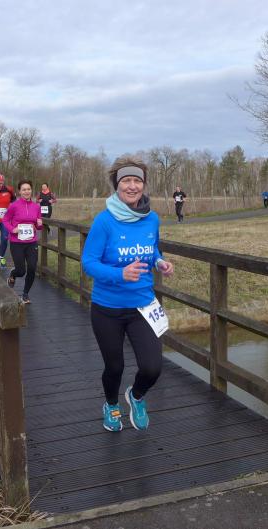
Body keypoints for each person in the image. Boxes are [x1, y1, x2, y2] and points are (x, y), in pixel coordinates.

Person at [81, 157, 174, 432]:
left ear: (144, 185)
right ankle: (111, 405)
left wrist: (159, 261)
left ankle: (136, 395)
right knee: (115, 367)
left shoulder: (151, 218)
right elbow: (88, 263)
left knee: (152, 367)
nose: (132, 186)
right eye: (126, 181)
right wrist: (119, 274)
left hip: (142, 305)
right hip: (107, 308)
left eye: (137, 181)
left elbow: (152, 248)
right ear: (117, 185)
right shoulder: (104, 221)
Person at [2, 180, 42, 304]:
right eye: (24, 189)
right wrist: (12, 229)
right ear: (19, 191)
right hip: (17, 242)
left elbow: (38, 225)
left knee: (32, 268)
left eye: (28, 189)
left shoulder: (36, 206)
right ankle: (13, 274)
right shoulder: (14, 206)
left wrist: (39, 224)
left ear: (31, 190)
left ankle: (25, 294)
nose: (26, 191)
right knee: (21, 270)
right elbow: (5, 220)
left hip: (31, 242)